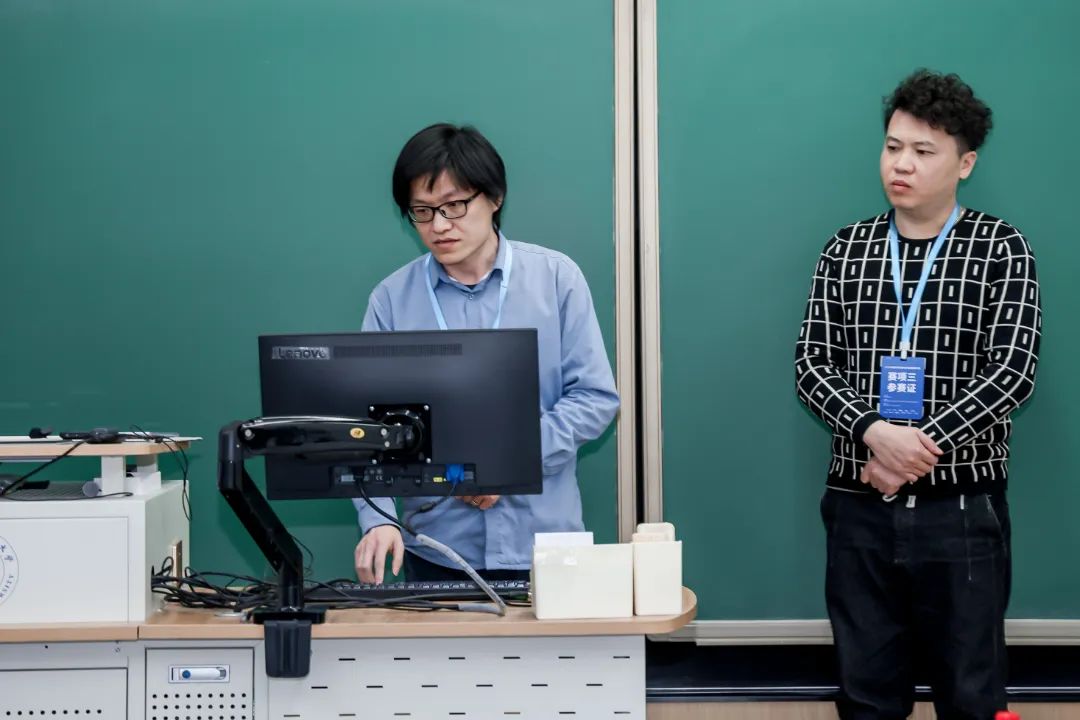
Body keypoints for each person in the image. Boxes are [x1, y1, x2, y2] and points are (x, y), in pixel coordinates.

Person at [794, 70, 1041, 719]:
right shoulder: (846, 250)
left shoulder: (1000, 248)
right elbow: (812, 366)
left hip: (962, 510)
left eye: (923, 151)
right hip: (859, 506)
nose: (901, 164)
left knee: (973, 696)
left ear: (965, 163)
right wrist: (875, 433)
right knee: (866, 697)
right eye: (893, 146)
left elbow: (1012, 371)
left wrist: (912, 452)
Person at [353, 123, 620, 584]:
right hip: (436, 550)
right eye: (422, 211)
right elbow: (367, 425)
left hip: (545, 547)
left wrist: (508, 462)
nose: (439, 225)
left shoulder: (556, 280)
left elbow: (595, 399)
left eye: (454, 205)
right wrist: (377, 518)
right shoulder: (392, 300)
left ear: (494, 197)